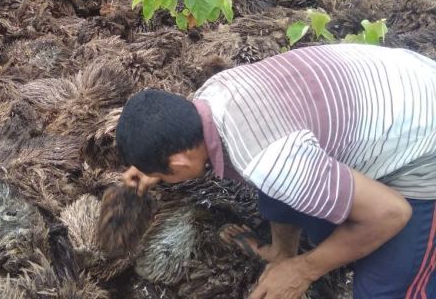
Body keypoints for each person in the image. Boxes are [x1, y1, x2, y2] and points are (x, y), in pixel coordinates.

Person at [116, 44, 436, 299]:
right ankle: (281, 252)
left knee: (385, 290)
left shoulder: (272, 158)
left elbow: (392, 213)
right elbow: (179, 137)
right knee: (278, 186)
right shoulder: (212, 95)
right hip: (395, 83)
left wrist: (303, 271)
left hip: (425, 147)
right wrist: (151, 163)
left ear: (179, 163)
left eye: (165, 175)